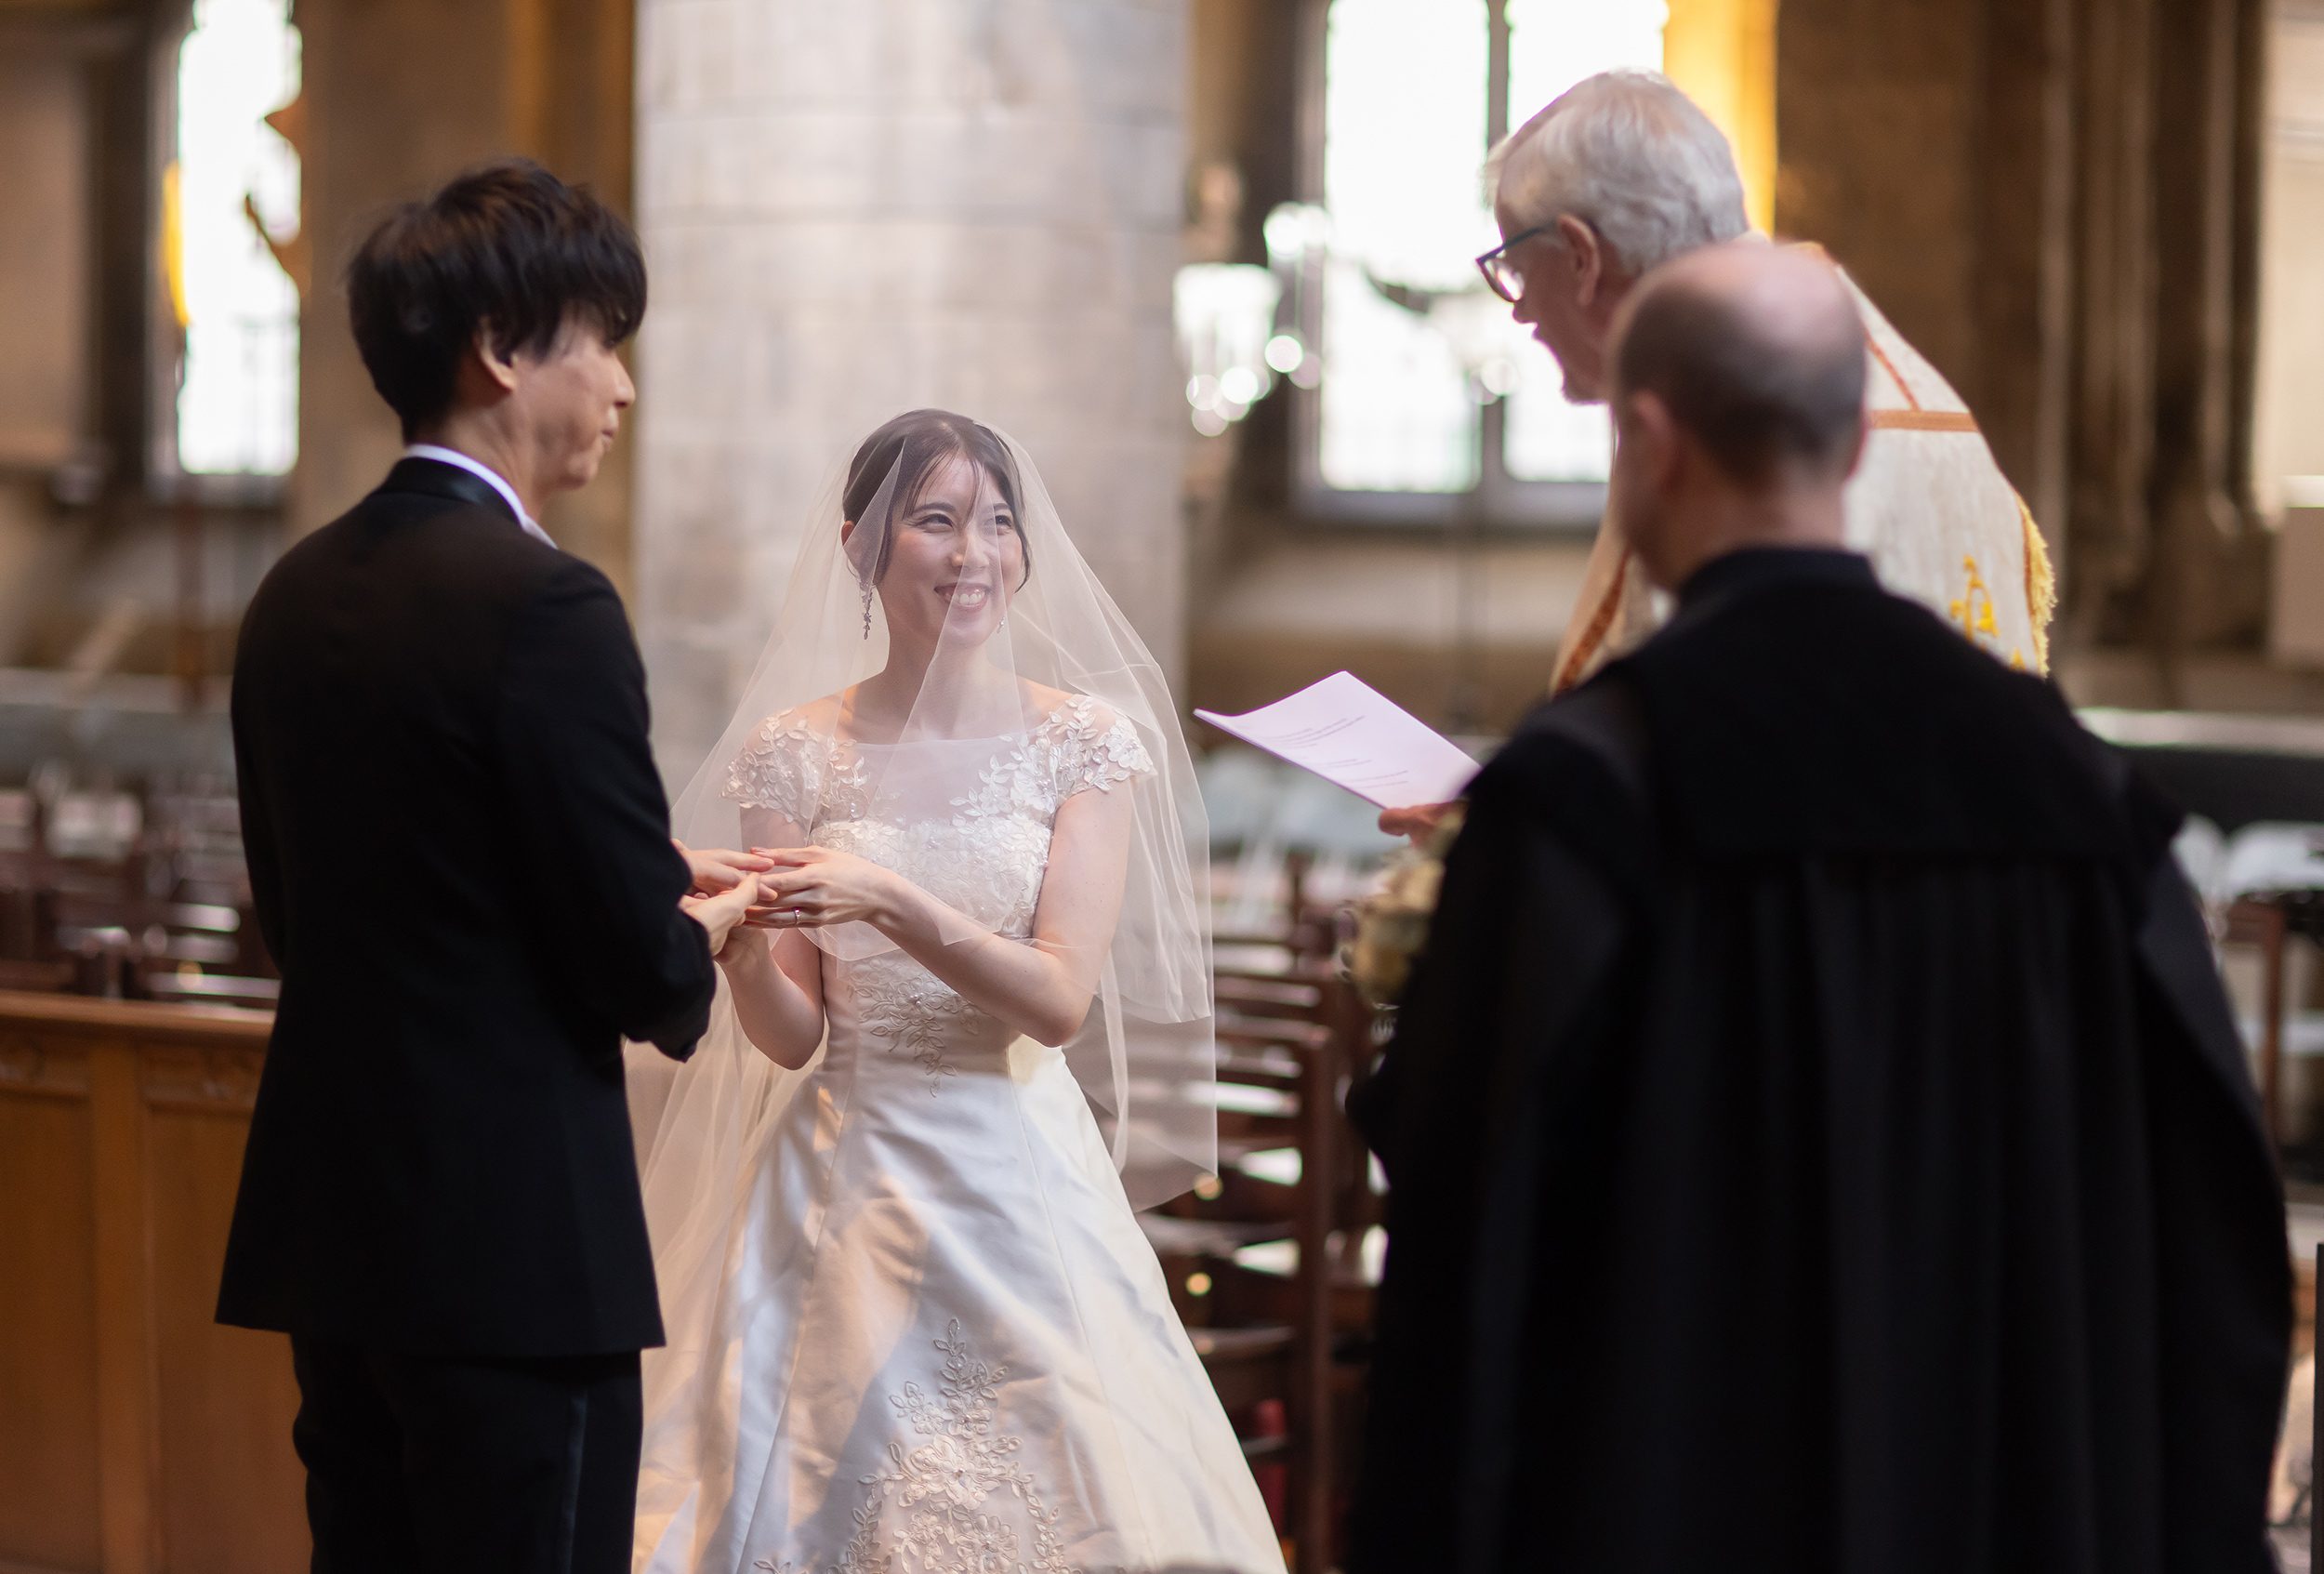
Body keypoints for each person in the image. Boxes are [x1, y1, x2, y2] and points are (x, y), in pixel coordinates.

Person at [1346, 244, 2290, 1572]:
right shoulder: (2075, 789)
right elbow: (2207, 1209)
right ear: (1853, 449)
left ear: (1652, 441)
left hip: (1678, 1492)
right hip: (2007, 1499)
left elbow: (1468, 1227)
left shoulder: (1587, 791)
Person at [218, 159, 761, 1574]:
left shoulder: (297, 587)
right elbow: (632, 962)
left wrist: (643, 863)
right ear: (503, 351)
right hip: (514, 1245)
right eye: (600, 339)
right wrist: (702, 919)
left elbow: (308, 901)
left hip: (339, 1229)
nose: (623, 387)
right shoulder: (549, 603)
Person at [628, 409, 1284, 1574]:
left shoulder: (1081, 744)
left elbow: (1057, 1000)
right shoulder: (793, 752)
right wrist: (733, 955)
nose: (972, 553)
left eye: (995, 523)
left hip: (1014, 1165)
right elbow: (795, 1036)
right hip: (843, 1162)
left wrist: (889, 900)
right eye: (934, 522)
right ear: (862, 549)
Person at [1383, 69, 2052, 840]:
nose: (1521, 306)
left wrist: (1514, 844)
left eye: (1512, 266)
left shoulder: (1716, 411)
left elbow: (1711, 773)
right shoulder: (1879, 381)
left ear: (1580, 255)